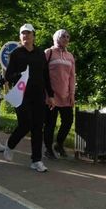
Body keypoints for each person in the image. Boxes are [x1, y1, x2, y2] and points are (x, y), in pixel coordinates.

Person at [3, 24, 56, 172]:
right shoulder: (16, 54)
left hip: (38, 95)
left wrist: (50, 95)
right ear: (20, 37)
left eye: (28, 33)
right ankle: (10, 144)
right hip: (21, 95)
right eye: (23, 34)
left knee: (38, 127)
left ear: (33, 35)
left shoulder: (40, 54)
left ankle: (36, 160)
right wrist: (18, 76)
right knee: (25, 124)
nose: (25, 36)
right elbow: (8, 76)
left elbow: (46, 76)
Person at [43, 29, 76, 159]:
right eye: (63, 36)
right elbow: (43, 74)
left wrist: (72, 94)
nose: (66, 39)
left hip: (66, 95)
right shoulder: (48, 53)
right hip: (50, 96)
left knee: (68, 121)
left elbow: (72, 77)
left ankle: (59, 144)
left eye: (68, 37)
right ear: (56, 37)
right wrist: (47, 94)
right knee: (50, 123)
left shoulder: (70, 56)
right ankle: (48, 149)